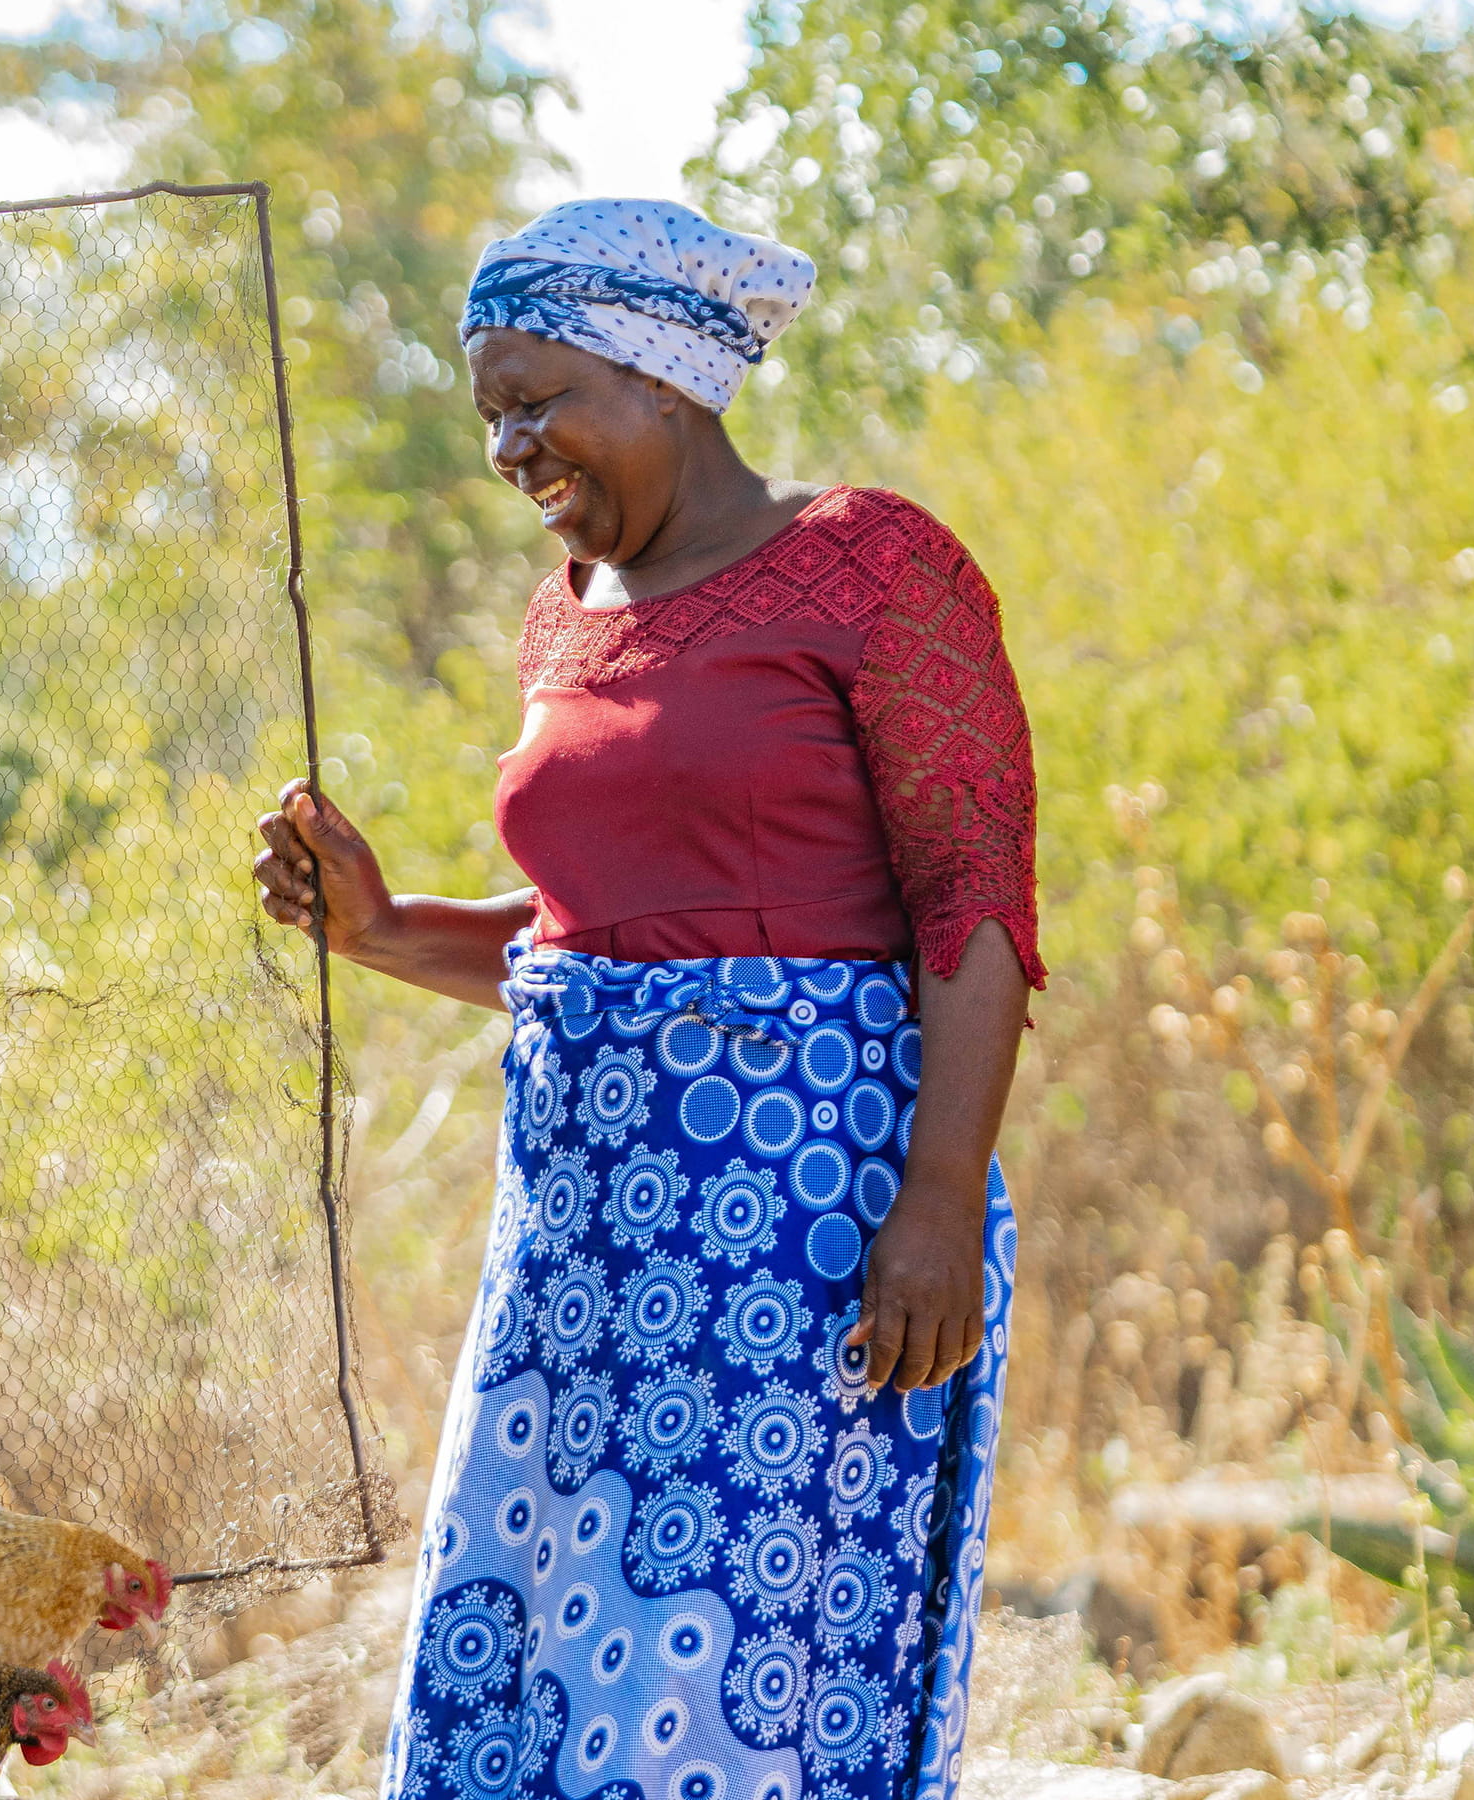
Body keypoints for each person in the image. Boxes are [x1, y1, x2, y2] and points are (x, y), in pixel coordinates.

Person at [253, 200, 1039, 1800]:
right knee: (540, 1635)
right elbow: (584, 944)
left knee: (725, 1652)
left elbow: (976, 903)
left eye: (540, 398)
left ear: (667, 373)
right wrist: (382, 926)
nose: (512, 446)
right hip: (576, 1245)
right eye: (491, 414)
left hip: (800, 1227)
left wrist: (938, 1203)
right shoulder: (569, 612)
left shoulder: (870, 561)